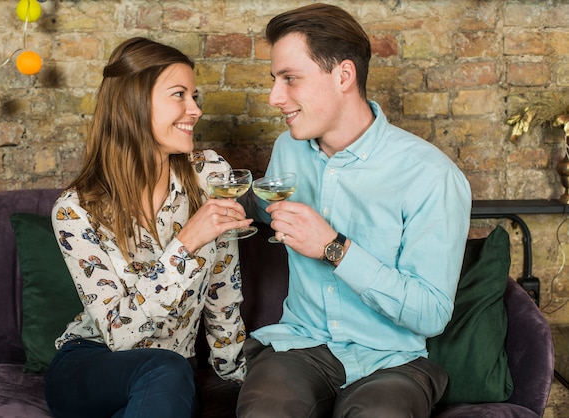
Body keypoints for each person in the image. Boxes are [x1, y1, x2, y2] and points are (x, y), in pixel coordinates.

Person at [237, 4, 472, 418]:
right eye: (274, 80)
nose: (275, 98)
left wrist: (334, 248)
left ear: (343, 75)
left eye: (290, 79)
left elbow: (431, 313)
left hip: (393, 361)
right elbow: (266, 210)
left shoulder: (432, 176)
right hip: (300, 345)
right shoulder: (287, 150)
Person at [44, 37, 250, 418]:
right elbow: (120, 335)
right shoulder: (75, 210)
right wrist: (186, 244)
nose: (196, 109)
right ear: (134, 104)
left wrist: (238, 375)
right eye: (179, 95)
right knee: (165, 368)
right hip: (91, 364)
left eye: (195, 95)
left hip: (171, 373)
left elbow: (224, 286)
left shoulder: (210, 176)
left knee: (169, 376)